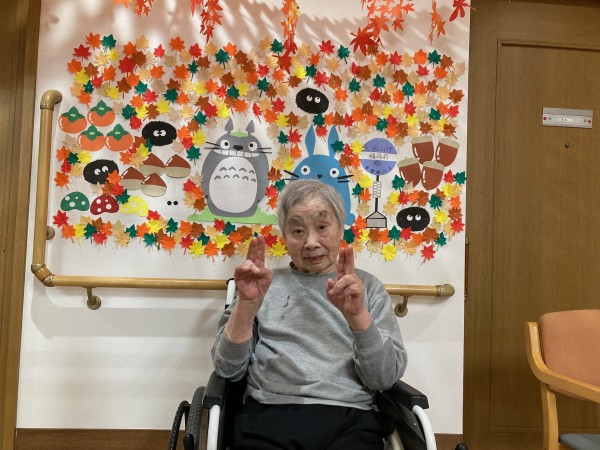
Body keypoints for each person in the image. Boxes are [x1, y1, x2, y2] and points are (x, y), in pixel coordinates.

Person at [212, 179, 407, 449]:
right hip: (269, 415)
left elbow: (383, 379)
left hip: (349, 421)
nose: (311, 242)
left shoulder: (367, 288)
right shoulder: (261, 284)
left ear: (340, 227)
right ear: (285, 236)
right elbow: (227, 368)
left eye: (322, 227)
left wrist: (358, 317)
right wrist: (246, 305)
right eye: (297, 231)